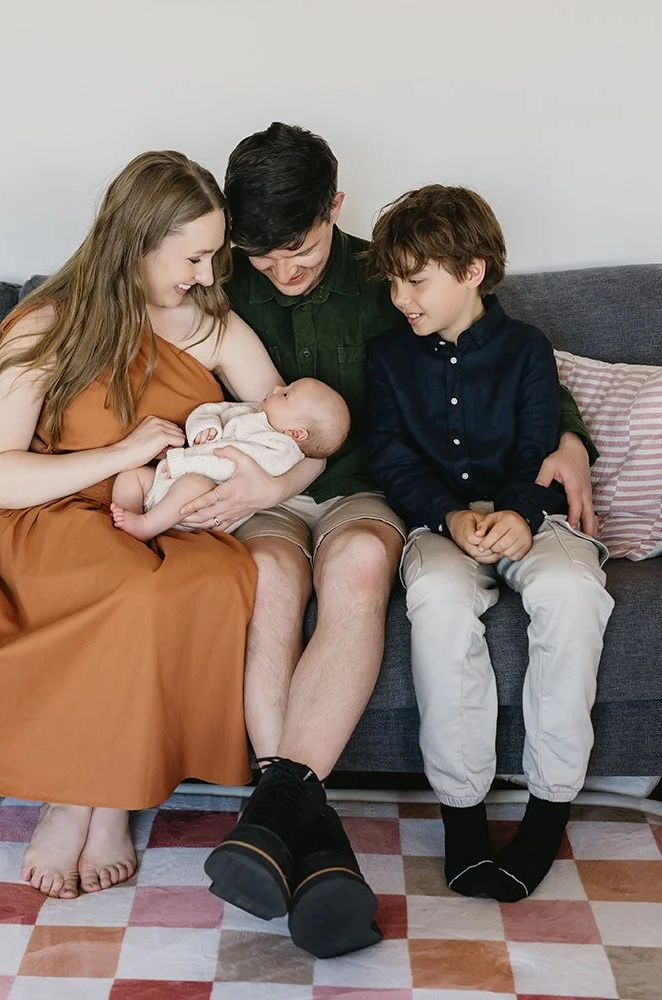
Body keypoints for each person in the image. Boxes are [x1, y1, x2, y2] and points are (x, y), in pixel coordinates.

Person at [0, 151, 315, 901]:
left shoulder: (215, 329)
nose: (205, 274)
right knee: (118, 585)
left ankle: (103, 800)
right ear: (139, 243)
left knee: (192, 584)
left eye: (213, 256)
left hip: (167, 520)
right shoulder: (47, 323)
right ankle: (81, 797)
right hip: (50, 516)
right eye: (193, 257)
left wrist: (274, 481)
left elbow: (297, 432)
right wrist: (118, 452)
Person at [185, 124, 597, 957]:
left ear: (335, 208)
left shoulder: (392, 276)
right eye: (261, 257)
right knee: (266, 576)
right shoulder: (220, 280)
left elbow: (511, 368)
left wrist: (573, 440)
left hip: (363, 495)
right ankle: (301, 829)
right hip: (259, 498)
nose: (282, 271)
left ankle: (274, 818)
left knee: (367, 561)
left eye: (296, 249)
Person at [365, 184, 614, 901]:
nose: (401, 298)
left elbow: (539, 441)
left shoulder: (527, 349)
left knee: (571, 593)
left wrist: (519, 515)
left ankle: (547, 811)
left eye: (416, 281)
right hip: (438, 523)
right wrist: (447, 517)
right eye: (392, 282)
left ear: (472, 271)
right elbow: (392, 457)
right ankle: (463, 815)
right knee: (439, 602)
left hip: (529, 517)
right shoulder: (387, 358)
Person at [111, 378, 349, 541]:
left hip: (202, 500)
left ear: (296, 433)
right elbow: (211, 410)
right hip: (170, 477)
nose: (276, 387)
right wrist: (204, 428)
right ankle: (126, 520)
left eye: (285, 394)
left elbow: (229, 463)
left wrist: (182, 460)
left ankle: (145, 527)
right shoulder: (253, 411)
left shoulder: (280, 451)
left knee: (193, 485)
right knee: (132, 475)